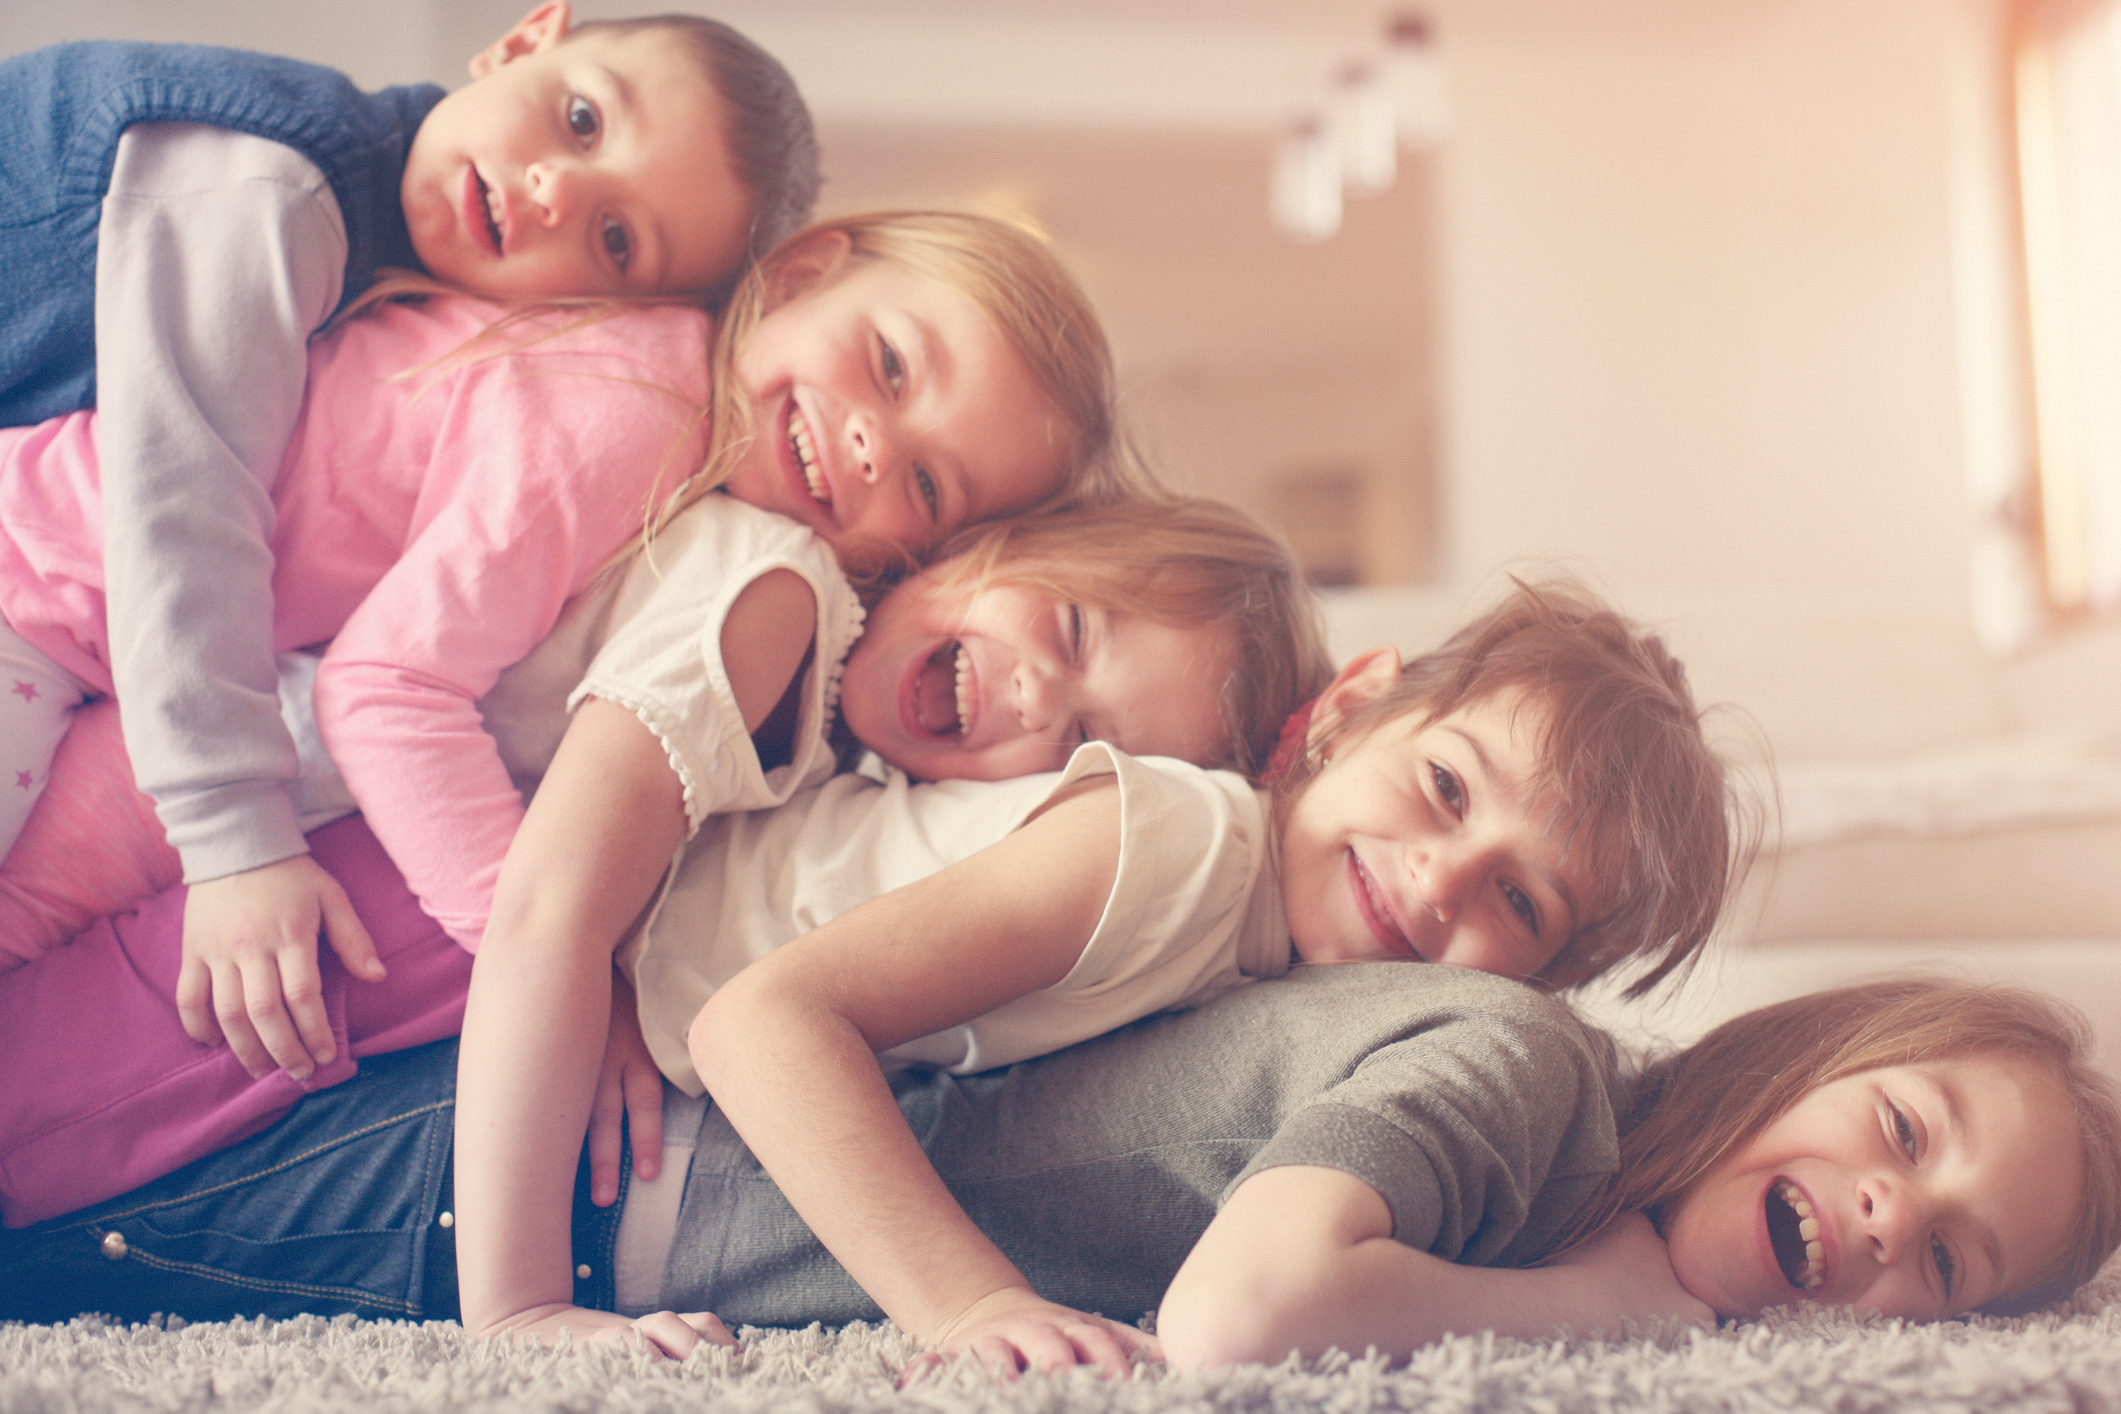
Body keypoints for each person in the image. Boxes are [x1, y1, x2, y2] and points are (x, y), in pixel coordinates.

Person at [0, 493, 1330, 1229]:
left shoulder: (833, 745)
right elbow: (546, 906)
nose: (1040, 699)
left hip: (381, 891)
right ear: (986, 542)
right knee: (47, 1112)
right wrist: (516, 1296)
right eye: (1075, 626)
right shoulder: (773, 590)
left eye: (1085, 741)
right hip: (382, 899)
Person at [0, 205, 1122, 1075]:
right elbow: (384, 689)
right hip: (42, 584)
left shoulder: (675, 410)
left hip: (115, 644)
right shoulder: (629, 415)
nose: (878, 442)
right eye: (889, 363)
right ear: (804, 268)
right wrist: (563, 985)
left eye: (928, 483)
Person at [4, 972, 2111, 1377]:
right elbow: (1241, 1316)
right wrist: (1618, 1314)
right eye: (1899, 1130)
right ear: (1805, 1050)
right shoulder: (1528, 1073)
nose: (1876, 1217)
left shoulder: (1550, 1171)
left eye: (1947, 1261)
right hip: (559, 1184)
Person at [0, 0, 814, 1044]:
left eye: (615, 238)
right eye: (580, 119)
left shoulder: (412, 283)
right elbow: (178, 499)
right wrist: (237, 843)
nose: (557, 190)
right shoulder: (270, 192)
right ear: (526, 38)